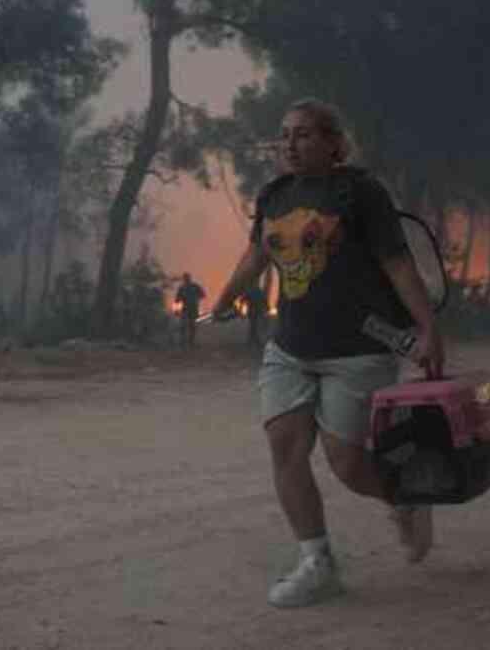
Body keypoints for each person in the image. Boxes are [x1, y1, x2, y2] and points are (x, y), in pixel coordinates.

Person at [211, 98, 445, 609]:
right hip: (290, 347)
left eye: (303, 134)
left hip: (357, 350)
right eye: (284, 135)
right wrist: (227, 296)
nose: (290, 144)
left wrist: (429, 329)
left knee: (350, 466)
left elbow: (398, 263)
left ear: (334, 143)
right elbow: (258, 255)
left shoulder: (360, 193)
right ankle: (318, 563)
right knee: (285, 447)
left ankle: (404, 497)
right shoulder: (274, 194)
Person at [173, 272, 207, 349]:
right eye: (185, 278)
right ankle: (184, 342)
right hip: (186, 309)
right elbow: (177, 300)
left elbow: (203, 295)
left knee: (191, 326)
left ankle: (190, 342)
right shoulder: (183, 288)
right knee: (184, 326)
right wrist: (176, 310)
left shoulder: (194, 287)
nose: (186, 280)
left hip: (192, 308)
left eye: (186, 278)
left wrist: (195, 298)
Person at [244, 283, 267, 348]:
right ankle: (254, 341)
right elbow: (263, 300)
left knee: (254, 326)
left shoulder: (250, 291)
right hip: (255, 311)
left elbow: (263, 300)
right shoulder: (257, 291)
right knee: (254, 326)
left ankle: (253, 341)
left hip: (254, 311)